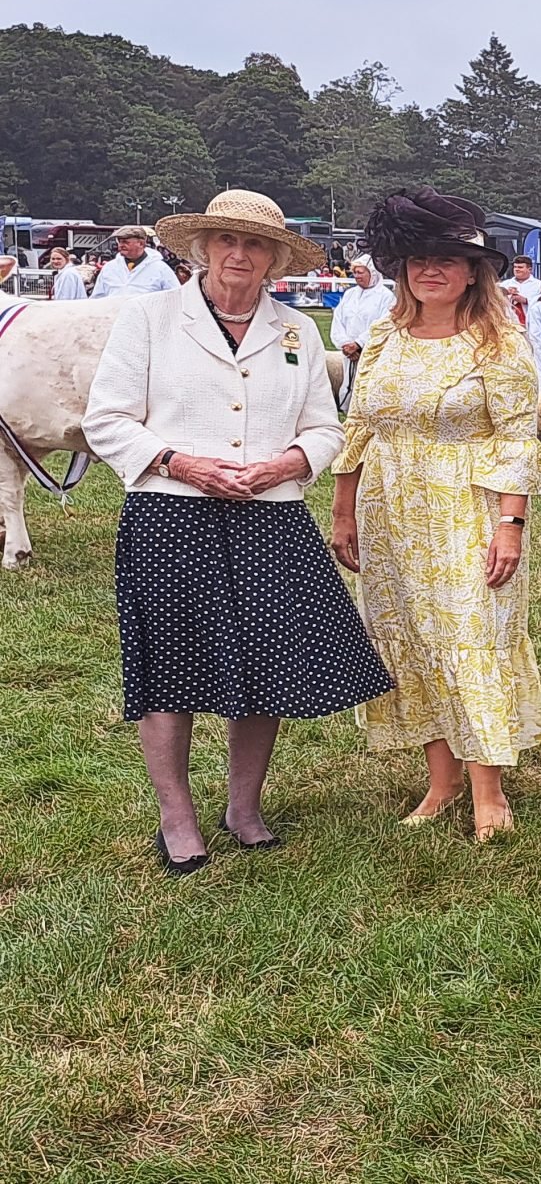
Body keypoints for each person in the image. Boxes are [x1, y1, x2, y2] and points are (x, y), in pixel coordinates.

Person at [82, 190, 392, 873]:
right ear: (202, 248)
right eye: (226, 240)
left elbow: (326, 428)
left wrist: (288, 463)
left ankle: (244, 808)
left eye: (255, 245)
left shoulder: (296, 330)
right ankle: (177, 818)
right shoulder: (149, 319)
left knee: (267, 664)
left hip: (269, 517)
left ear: (275, 259)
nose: (239, 255)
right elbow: (106, 420)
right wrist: (181, 462)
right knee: (169, 668)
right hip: (170, 515)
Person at [330, 187, 541, 844]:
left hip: (467, 504)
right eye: (419, 258)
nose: (431, 270)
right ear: (401, 268)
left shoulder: (499, 343)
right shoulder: (383, 336)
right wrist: (343, 510)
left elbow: (516, 438)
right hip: (390, 508)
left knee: (471, 635)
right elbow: (359, 425)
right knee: (414, 638)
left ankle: (489, 790)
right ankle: (442, 781)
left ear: (473, 271)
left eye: (447, 259)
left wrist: (511, 525)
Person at [330, 256, 397, 373]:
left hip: (373, 355)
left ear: (372, 274)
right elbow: (338, 320)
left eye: (360, 272)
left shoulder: (386, 297)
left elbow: (384, 325)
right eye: (355, 272)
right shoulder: (349, 294)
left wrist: (359, 344)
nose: (356, 276)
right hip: (349, 356)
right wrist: (345, 344)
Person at [92, 225, 180, 297]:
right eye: (119, 242)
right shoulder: (109, 268)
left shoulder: (161, 269)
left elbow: (176, 297)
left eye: (126, 242)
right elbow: (97, 299)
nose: (121, 245)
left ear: (141, 244)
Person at [497, 255, 540, 319]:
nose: (517, 269)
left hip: (531, 321)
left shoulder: (539, 285)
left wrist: (526, 300)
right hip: (509, 321)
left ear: (530, 269)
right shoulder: (504, 284)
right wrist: (505, 293)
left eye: (520, 267)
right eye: (515, 267)